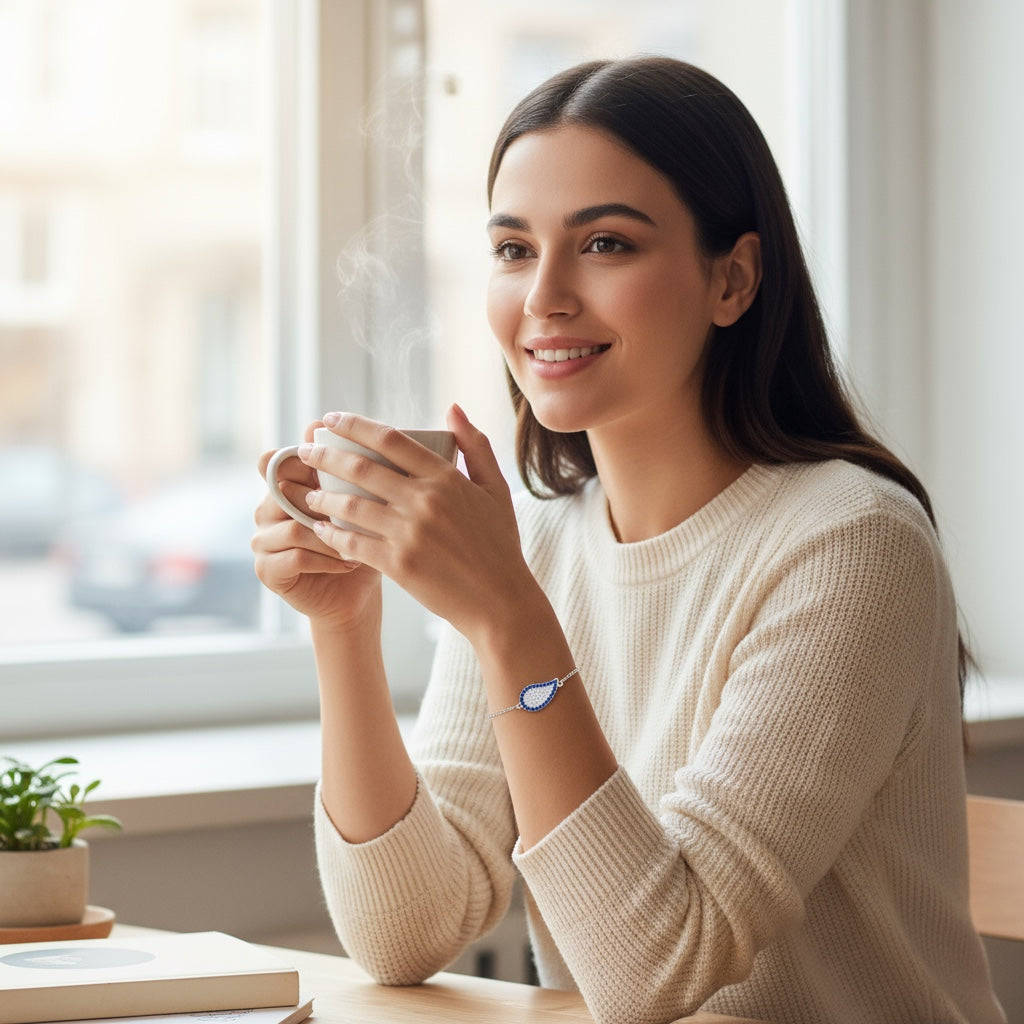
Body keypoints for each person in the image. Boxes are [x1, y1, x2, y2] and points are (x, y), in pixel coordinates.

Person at [252, 56, 1005, 1024]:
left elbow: (656, 970)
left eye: (605, 243)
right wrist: (342, 624)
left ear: (731, 278)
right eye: (514, 249)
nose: (544, 297)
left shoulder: (850, 544)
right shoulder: (538, 541)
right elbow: (405, 931)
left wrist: (508, 615)